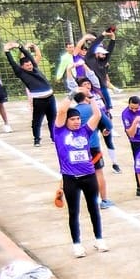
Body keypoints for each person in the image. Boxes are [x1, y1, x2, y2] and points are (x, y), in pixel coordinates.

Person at [53, 94, 106, 257]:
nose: (76, 122)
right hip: (71, 178)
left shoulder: (85, 131)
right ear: (66, 121)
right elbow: (62, 110)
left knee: (94, 209)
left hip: (89, 176)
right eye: (73, 119)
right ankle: (77, 244)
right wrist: (73, 92)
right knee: (74, 212)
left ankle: (99, 239)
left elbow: (97, 115)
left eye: (78, 119)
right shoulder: (59, 132)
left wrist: (91, 99)